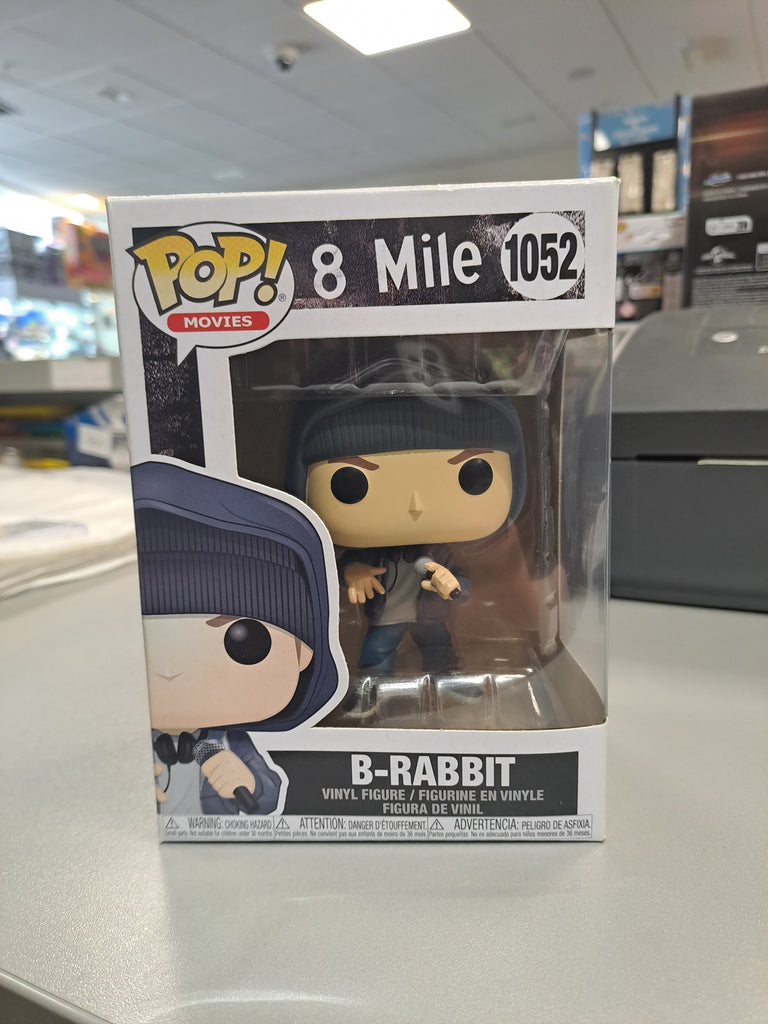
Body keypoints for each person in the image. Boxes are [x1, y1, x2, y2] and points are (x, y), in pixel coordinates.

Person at [132, 462, 341, 816]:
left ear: (303, 651)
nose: (170, 669)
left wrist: (250, 782)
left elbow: (271, 793)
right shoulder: (125, 742)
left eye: (242, 641)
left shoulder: (227, 741)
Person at [288, 391, 526, 674]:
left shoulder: (437, 552)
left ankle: (447, 679)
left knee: (439, 650)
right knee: (376, 652)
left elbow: (461, 585)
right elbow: (345, 566)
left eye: (472, 477)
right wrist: (353, 572)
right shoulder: (373, 550)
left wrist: (453, 586)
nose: (416, 506)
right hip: (386, 617)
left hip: (430, 616)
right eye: (351, 484)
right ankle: (371, 685)